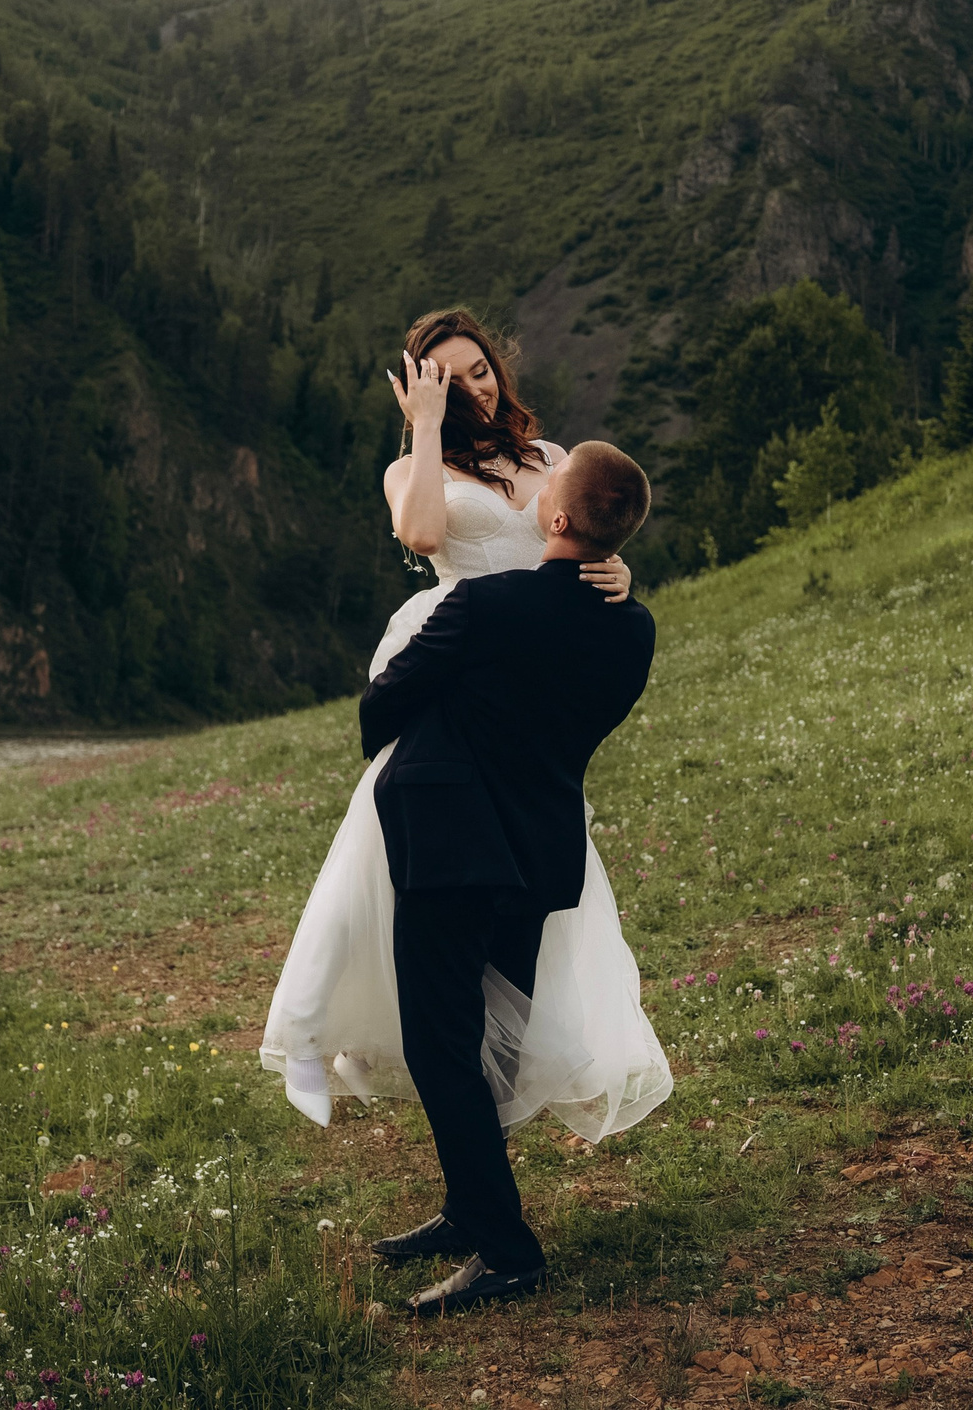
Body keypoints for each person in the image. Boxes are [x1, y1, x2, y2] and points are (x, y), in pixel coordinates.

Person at [256, 312, 672, 1304]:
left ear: (500, 368)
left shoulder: (552, 459)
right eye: (444, 379)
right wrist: (426, 429)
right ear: (414, 391)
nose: (470, 387)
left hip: (517, 719)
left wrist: (621, 572)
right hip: (459, 707)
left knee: (474, 1003)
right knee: (439, 987)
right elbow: (424, 535)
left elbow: (589, 532)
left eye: (477, 371)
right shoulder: (414, 467)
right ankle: (470, 1201)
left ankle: (496, 1229)